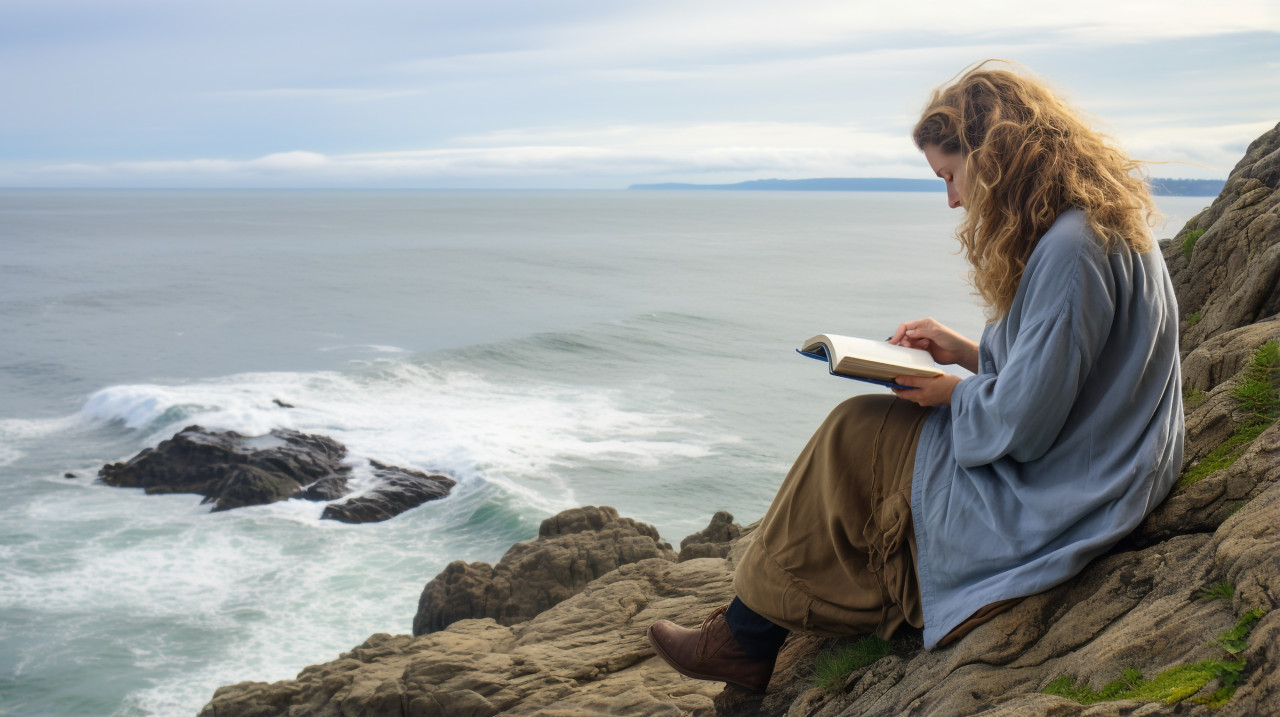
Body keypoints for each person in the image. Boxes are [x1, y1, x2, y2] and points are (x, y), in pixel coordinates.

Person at [646, 62, 1185, 693]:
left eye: (951, 176)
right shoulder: (1093, 222)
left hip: (1076, 483)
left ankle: (744, 639)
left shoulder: (1070, 249)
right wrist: (959, 349)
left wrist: (952, 392)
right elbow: (1069, 369)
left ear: (994, 155)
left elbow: (1029, 424)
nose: (952, 199)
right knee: (867, 437)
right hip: (1116, 456)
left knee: (854, 433)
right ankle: (751, 628)